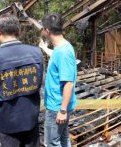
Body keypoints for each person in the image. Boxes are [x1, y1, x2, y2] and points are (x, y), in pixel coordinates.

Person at [0, 13, 43, 147]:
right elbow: (41, 79)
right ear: (19, 31)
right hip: (30, 117)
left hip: (7, 120)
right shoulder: (36, 53)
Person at [39, 14, 77, 147]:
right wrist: (44, 48)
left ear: (47, 31)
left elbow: (68, 83)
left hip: (57, 106)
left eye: (43, 29)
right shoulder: (61, 48)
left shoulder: (63, 52)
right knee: (63, 138)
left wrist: (62, 110)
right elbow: (56, 57)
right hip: (61, 105)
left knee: (52, 142)